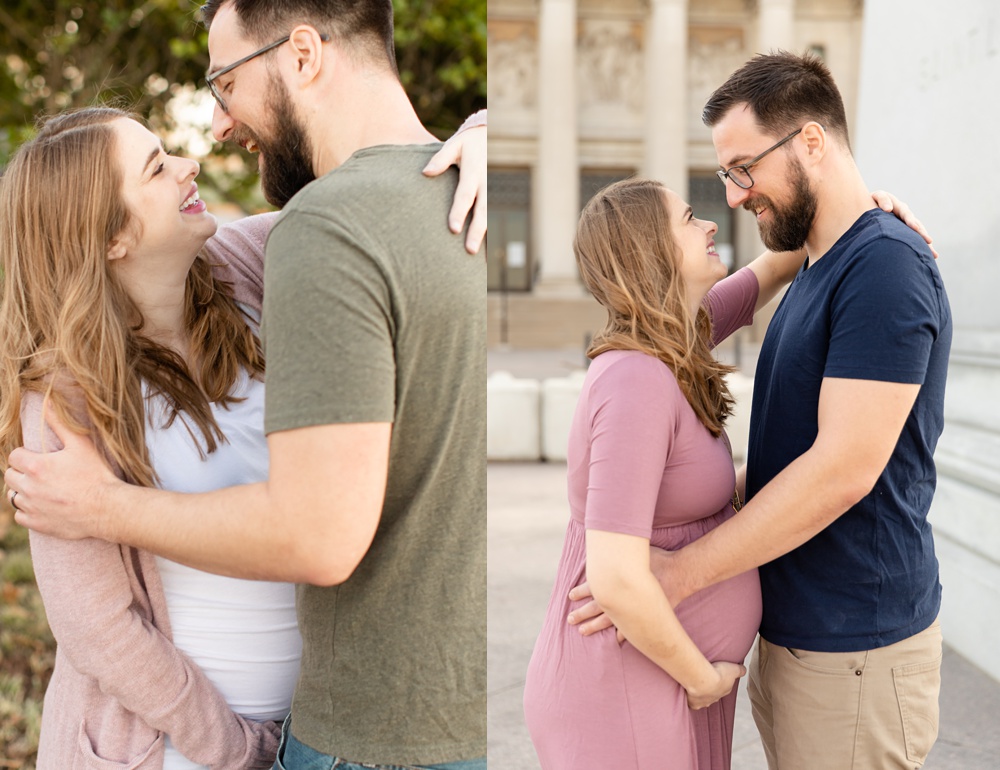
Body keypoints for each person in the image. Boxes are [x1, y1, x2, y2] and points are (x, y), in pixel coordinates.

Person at [4, 2, 487, 769]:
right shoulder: (63, 395)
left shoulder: (251, 267)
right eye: (159, 169)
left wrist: (484, 135)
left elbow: (382, 187)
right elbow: (98, 628)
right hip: (172, 749)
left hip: (306, 731)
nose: (194, 161)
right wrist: (232, 747)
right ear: (110, 235)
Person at [571, 52, 950, 770]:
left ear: (810, 142)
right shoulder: (817, 262)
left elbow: (843, 472)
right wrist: (866, 206)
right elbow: (751, 278)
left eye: (744, 168)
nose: (735, 198)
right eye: (724, 178)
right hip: (802, 641)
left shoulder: (885, 270)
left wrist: (679, 576)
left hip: (855, 649)